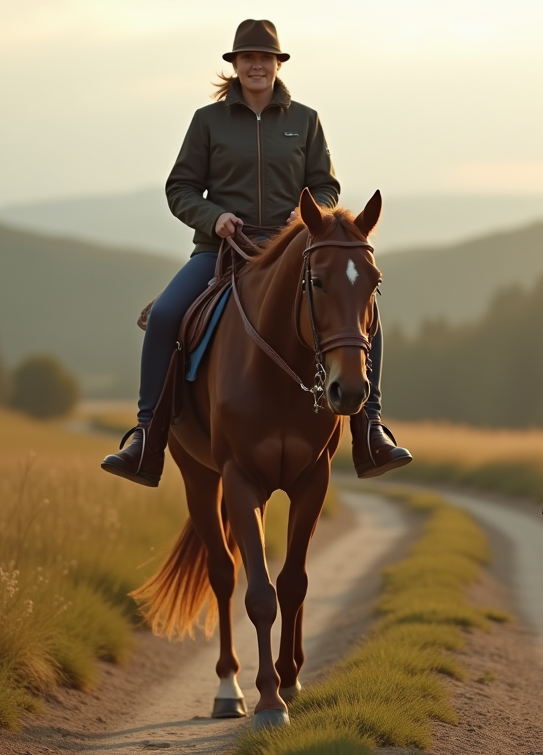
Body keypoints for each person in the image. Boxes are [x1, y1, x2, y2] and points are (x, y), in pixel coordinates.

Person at [101, 19, 411, 487]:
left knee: (364, 317)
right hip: (222, 250)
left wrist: (308, 215)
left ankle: (369, 431)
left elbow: (326, 184)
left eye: (265, 58)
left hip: (289, 252)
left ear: (277, 64)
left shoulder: (305, 120)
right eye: (248, 58)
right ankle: (146, 437)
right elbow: (180, 188)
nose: (257, 66)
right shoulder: (208, 122)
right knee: (165, 314)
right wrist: (214, 218)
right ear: (235, 65)